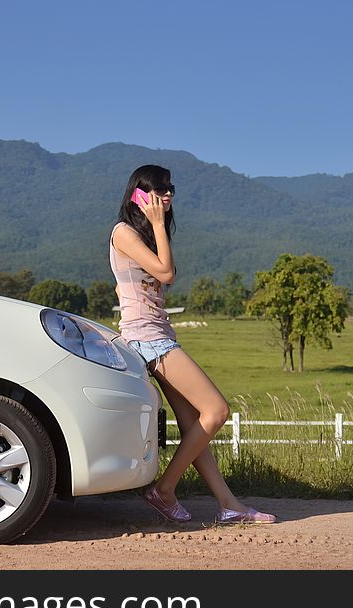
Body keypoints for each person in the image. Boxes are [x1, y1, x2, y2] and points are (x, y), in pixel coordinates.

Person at [109, 164, 275, 524]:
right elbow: (166, 273)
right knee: (216, 411)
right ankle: (163, 489)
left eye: (170, 188)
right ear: (140, 195)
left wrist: (157, 228)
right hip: (148, 338)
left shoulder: (146, 235)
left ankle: (228, 504)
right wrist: (155, 223)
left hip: (158, 334)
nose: (167, 195)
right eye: (159, 189)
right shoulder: (123, 232)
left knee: (194, 427)